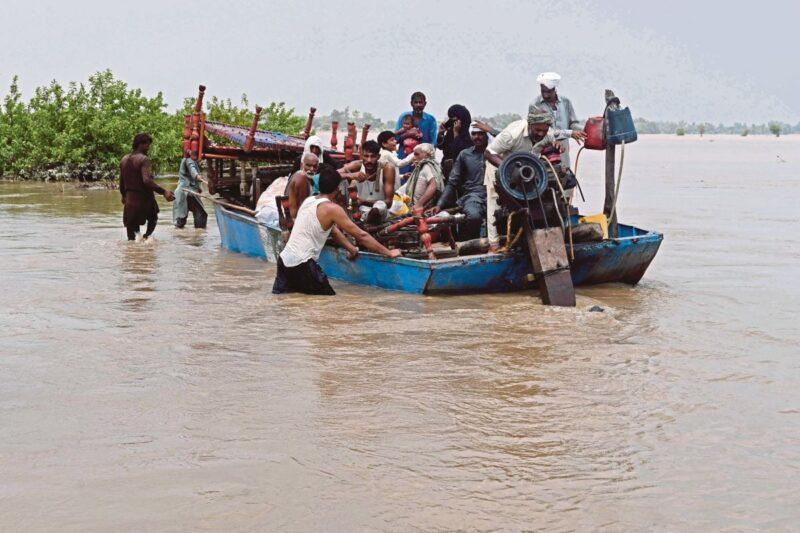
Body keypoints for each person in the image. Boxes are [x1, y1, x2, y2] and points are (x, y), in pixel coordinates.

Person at [273, 166, 401, 295]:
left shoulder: (309, 201)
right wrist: (388, 253)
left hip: (284, 262)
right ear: (337, 189)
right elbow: (361, 235)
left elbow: (333, 231)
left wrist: (351, 249)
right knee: (328, 305)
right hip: (303, 264)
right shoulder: (332, 209)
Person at [483, 110, 562, 250]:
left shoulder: (547, 134)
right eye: (537, 130)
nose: (541, 134)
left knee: (530, 201)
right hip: (498, 167)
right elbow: (489, 152)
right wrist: (508, 168)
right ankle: (494, 244)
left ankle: (528, 238)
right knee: (495, 203)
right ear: (529, 124)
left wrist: (557, 145)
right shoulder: (513, 134)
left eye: (544, 130)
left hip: (525, 172)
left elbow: (555, 139)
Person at [429, 124, 490, 240]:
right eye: (474, 134)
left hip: (495, 195)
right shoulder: (465, 154)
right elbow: (452, 182)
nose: (477, 137)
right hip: (473, 196)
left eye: (481, 134)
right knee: (473, 216)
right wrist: (439, 204)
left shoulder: (497, 153)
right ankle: (473, 245)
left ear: (487, 136)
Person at [119, 133, 174, 241]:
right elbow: (147, 180)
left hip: (130, 200)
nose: (148, 147)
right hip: (144, 199)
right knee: (153, 218)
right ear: (140, 144)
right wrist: (164, 192)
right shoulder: (144, 159)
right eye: (147, 144)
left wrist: (123, 195)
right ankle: (146, 238)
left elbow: (121, 182)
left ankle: (134, 252)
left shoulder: (124, 159)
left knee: (131, 235)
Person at [531, 72, 586, 170]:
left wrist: (584, 131)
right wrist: (570, 133)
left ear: (555, 89)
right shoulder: (535, 105)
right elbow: (547, 132)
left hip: (563, 153)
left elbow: (573, 124)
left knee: (565, 177)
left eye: (548, 92)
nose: (545, 95)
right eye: (543, 91)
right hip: (543, 152)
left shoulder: (566, 102)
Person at [338, 140, 396, 207]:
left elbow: (388, 203)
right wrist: (351, 175)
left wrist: (363, 202)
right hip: (358, 208)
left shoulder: (387, 168)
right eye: (366, 156)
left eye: (373, 156)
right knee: (341, 180)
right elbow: (331, 174)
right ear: (362, 155)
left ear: (378, 157)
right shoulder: (357, 165)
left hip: (379, 210)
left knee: (380, 209)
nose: (369, 160)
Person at [395, 91, 438, 173]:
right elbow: (395, 139)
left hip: (423, 161)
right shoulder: (404, 117)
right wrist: (408, 134)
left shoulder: (430, 119)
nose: (418, 105)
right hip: (404, 159)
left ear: (425, 104)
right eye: (416, 102)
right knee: (403, 183)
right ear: (411, 103)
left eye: (420, 102)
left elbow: (433, 143)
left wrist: (425, 157)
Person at [402, 143, 444, 213]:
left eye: (417, 154)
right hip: (415, 208)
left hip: (422, 210)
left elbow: (434, 185)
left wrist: (419, 204)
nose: (414, 157)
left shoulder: (427, 166)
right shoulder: (421, 166)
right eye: (414, 154)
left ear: (427, 155)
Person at [436, 104, 473, 179]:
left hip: (460, 172)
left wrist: (456, 133)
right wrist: (440, 134)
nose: (452, 120)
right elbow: (441, 146)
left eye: (454, 118)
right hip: (446, 169)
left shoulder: (469, 134)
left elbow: (460, 151)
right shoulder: (451, 131)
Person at [173, 150, 207, 229]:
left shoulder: (185, 160)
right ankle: (198, 236)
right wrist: (197, 176)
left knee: (180, 221)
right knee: (201, 215)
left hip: (181, 192)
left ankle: (179, 239)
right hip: (188, 192)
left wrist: (198, 187)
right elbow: (193, 170)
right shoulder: (189, 160)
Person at [286, 152, 320, 219]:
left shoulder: (311, 179)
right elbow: (304, 209)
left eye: (314, 166)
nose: (311, 169)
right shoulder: (301, 176)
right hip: (297, 221)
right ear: (302, 165)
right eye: (308, 165)